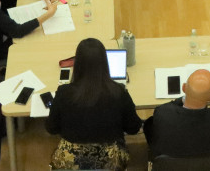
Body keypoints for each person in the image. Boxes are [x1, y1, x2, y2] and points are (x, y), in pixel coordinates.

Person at [47, 38, 143, 170]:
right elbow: (133, 128)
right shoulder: (118, 91)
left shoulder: (64, 92)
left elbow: (51, 128)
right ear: (105, 62)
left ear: (77, 64)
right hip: (110, 161)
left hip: (70, 162)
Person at [144, 68, 210, 160]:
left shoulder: (163, 114)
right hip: (209, 164)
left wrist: (181, 99)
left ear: (183, 88)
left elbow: (167, 109)